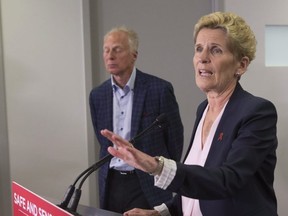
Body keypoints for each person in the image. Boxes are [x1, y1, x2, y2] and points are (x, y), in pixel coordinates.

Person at [101, 12, 278, 216]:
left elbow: (226, 180)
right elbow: (197, 184)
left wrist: (156, 166)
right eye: (199, 49)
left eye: (216, 50)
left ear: (241, 65)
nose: (203, 58)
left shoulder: (257, 112)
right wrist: (162, 212)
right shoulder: (203, 109)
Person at [89, 26, 184, 213]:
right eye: (106, 50)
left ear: (134, 55)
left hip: (148, 182)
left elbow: (174, 142)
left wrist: (160, 172)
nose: (110, 56)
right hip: (112, 182)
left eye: (117, 49)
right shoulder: (97, 95)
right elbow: (102, 141)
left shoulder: (159, 90)